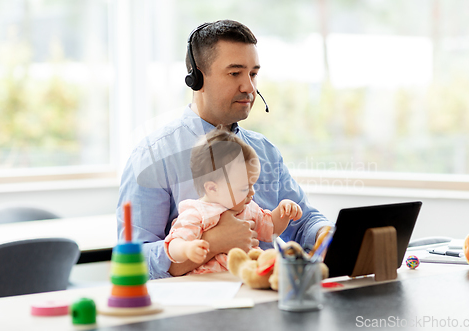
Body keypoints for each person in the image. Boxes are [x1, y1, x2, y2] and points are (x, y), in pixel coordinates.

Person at [117, 19, 333, 279]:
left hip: (265, 301)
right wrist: (213, 243)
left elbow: (303, 223)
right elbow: (134, 261)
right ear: (197, 78)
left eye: (253, 74)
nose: (249, 88)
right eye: (235, 73)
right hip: (196, 311)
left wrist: (327, 234)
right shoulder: (153, 156)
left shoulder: (264, 151)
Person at [164, 128, 302, 274]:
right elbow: (174, 243)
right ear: (212, 188)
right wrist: (187, 249)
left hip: (245, 279)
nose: (252, 192)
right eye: (244, 188)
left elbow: (271, 228)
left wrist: (283, 211)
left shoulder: (248, 208)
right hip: (210, 282)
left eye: (252, 185)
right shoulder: (197, 213)